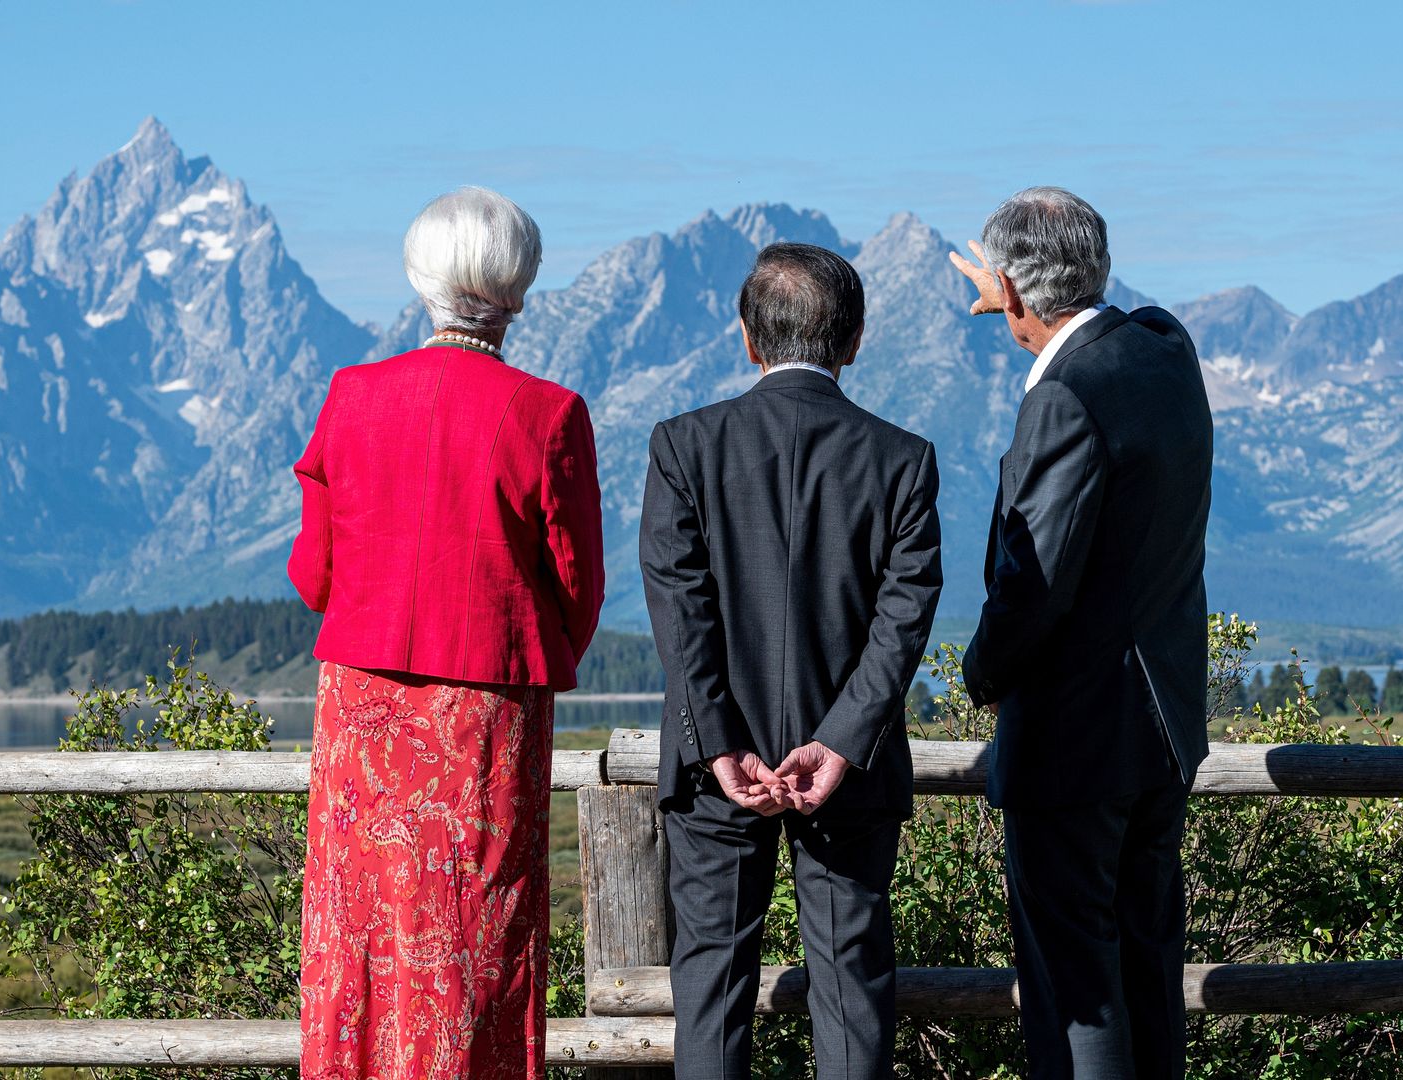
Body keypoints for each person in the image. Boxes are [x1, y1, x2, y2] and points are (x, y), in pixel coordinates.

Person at [287, 187, 603, 1080]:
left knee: (361, 928)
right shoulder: (549, 414)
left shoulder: (351, 397)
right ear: (520, 288)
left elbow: (315, 577)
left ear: (421, 279)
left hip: (363, 702)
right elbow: (578, 588)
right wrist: (525, 645)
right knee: (478, 927)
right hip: (487, 709)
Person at [640, 242, 944, 1080]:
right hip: (849, 773)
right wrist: (841, 742)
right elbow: (903, 618)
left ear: (747, 338)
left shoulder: (682, 446)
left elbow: (682, 614)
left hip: (714, 773)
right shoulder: (903, 459)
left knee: (711, 982)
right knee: (851, 987)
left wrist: (720, 744)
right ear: (853, 342)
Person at [949, 187, 1213, 1079]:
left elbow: (1035, 581)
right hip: (1163, 725)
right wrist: (1018, 291)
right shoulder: (1165, 355)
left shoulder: (1065, 394)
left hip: (1074, 738)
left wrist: (978, 673)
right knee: (1148, 966)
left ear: (1017, 295)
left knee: (1076, 988)